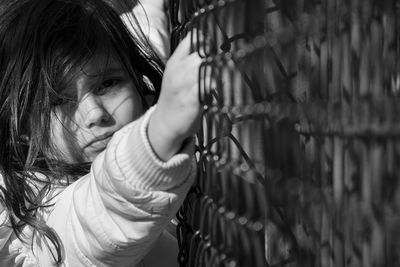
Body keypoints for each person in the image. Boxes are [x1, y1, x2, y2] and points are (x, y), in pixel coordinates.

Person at [0, 0, 203, 266]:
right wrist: (159, 134)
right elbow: (95, 222)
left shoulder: (131, 74)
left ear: (139, 84)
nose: (95, 114)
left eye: (107, 84)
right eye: (58, 101)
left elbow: (148, 31)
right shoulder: (28, 217)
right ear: (22, 126)